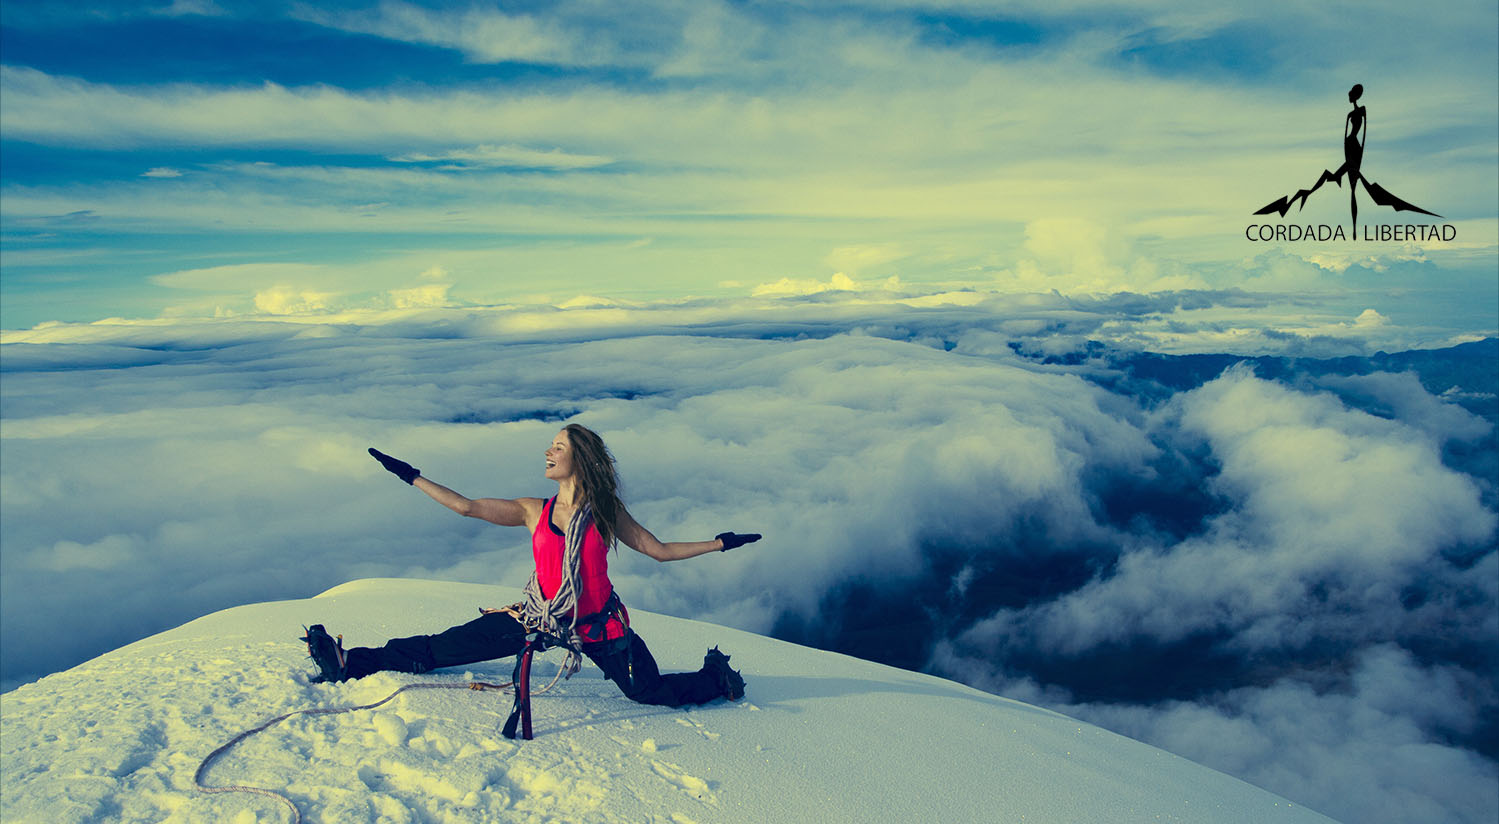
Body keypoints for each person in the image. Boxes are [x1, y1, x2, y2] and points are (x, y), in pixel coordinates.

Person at [300, 424, 761, 709]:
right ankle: (351, 662)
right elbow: (466, 507)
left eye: (558, 446)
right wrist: (410, 474)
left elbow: (658, 550)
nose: (548, 452)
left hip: (599, 628)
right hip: (538, 617)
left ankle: (715, 678)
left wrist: (720, 543)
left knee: (647, 691)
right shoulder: (531, 510)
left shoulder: (605, 512)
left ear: (579, 457)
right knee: (443, 648)